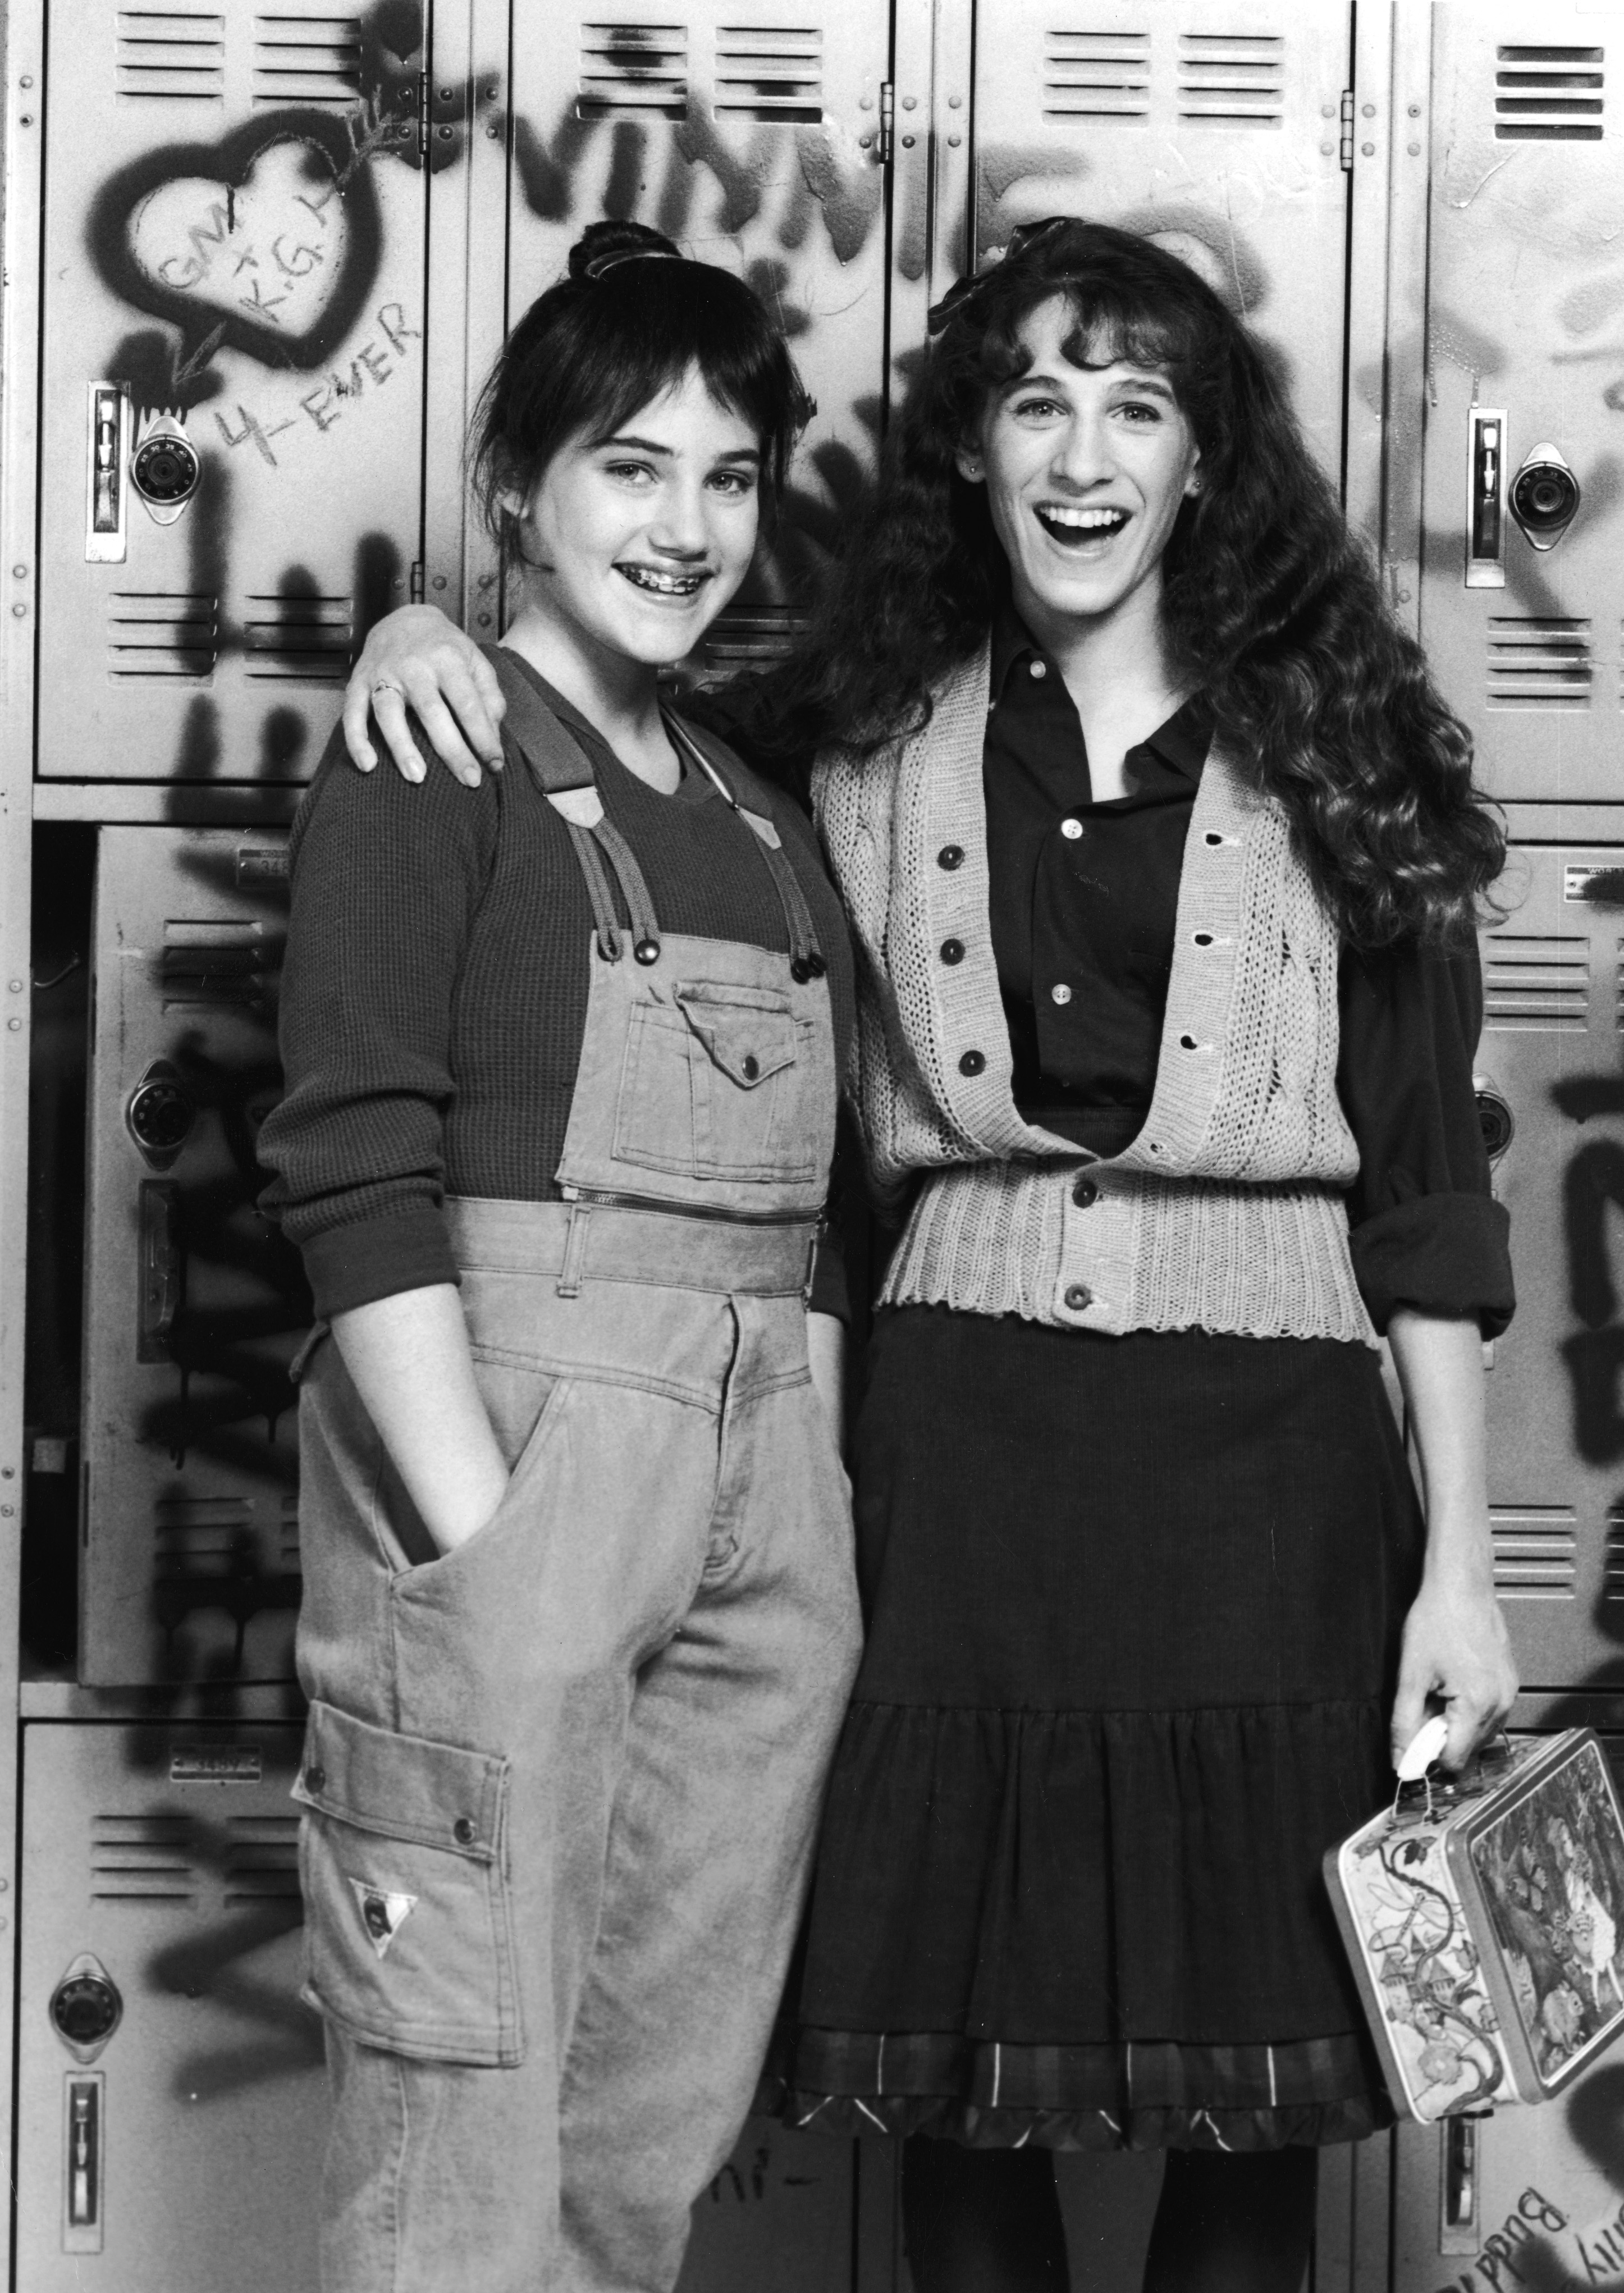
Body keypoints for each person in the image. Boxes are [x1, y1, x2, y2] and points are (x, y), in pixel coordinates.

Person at [337, 218, 1518, 2293]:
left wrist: (1466, 1568)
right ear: (968, 444)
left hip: (1277, 1494)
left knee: (1263, 2100)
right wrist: (417, 640)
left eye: (1136, 406)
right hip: (953, 1482)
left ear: (1201, 462)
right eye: (1036, 399)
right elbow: (591, 746)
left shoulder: (1347, 752)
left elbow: (1427, 1197)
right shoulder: (845, 743)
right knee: (953, 2090)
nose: (1082, 453)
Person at [258, 218, 862, 2293]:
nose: (685, 525)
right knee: (461, 2127)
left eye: (729, 476)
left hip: (756, 1499)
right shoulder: (433, 748)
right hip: (518, 1465)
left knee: (645, 2131)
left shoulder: (766, 814)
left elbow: (822, 1230)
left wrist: (820, 1516)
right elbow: (352, 1163)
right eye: (632, 465)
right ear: (519, 484)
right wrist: (486, 1544)